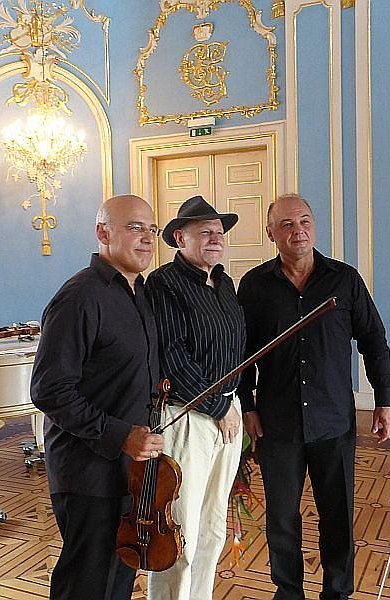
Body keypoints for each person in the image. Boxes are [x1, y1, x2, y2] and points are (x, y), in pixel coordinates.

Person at [237, 193, 390, 600]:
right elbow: (242, 354)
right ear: (270, 233)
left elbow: (374, 341)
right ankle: (288, 592)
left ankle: (337, 593)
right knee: (282, 519)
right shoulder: (254, 285)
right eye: (287, 224)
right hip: (277, 423)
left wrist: (386, 400)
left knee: (337, 516)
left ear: (314, 226)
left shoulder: (345, 279)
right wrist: (248, 405)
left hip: (333, 421)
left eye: (304, 221)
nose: (298, 231)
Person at [30, 194, 166, 600]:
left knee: (118, 577)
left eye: (152, 229)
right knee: (86, 584)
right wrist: (121, 435)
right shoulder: (79, 297)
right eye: (135, 227)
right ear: (102, 233)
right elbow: (49, 390)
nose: (147, 238)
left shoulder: (139, 293)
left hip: (131, 469)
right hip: (88, 472)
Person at [145, 195, 246, 600]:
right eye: (205, 232)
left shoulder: (224, 284)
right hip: (189, 417)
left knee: (213, 525)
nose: (215, 238)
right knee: (181, 527)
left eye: (218, 232)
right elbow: (172, 355)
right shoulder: (163, 284)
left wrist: (233, 405)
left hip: (227, 414)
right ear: (179, 238)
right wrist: (220, 407)